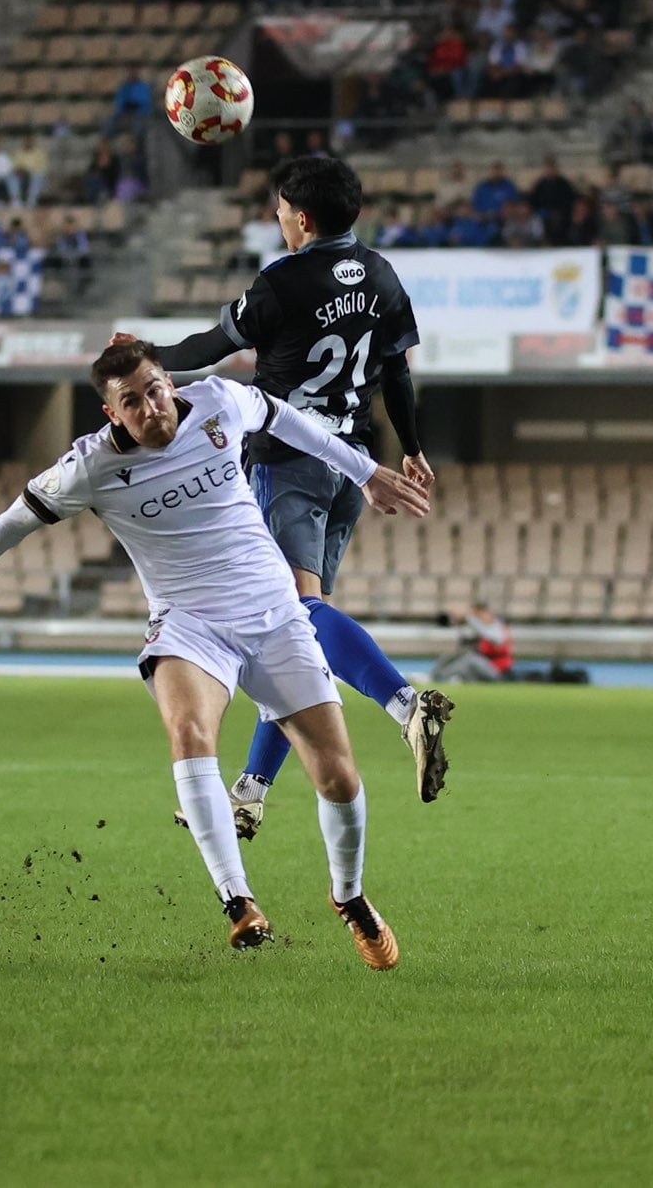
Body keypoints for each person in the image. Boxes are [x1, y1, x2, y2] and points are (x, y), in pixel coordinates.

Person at [0, 340, 430, 965]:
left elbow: (286, 419)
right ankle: (239, 902)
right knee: (189, 731)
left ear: (169, 383)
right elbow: (7, 527)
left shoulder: (220, 402)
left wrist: (366, 472)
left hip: (276, 615)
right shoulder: (86, 470)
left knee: (339, 778)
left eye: (154, 391)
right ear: (111, 415)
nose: (151, 409)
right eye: (131, 403)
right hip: (189, 624)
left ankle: (350, 898)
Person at [132, 155, 452, 839]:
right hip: (351, 467)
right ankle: (250, 790)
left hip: (289, 461)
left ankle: (403, 705)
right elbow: (396, 367)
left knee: (297, 622)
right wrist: (413, 445)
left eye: (279, 209)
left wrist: (146, 354)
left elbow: (213, 346)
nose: (276, 220)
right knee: (291, 634)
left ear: (300, 217)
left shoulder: (281, 282)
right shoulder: (381, 274)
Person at [430, 599, 513, 683]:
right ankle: (434, 676)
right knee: (449, 656)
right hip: (482, 669)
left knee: (470, 659)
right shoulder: (479, 628)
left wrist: (469, 619)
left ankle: (443, 678)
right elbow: (466, 637)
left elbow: (495, 639)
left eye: (479, 614)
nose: (478, 618)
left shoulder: (497, 627)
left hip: (498, 671)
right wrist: (458, 619)